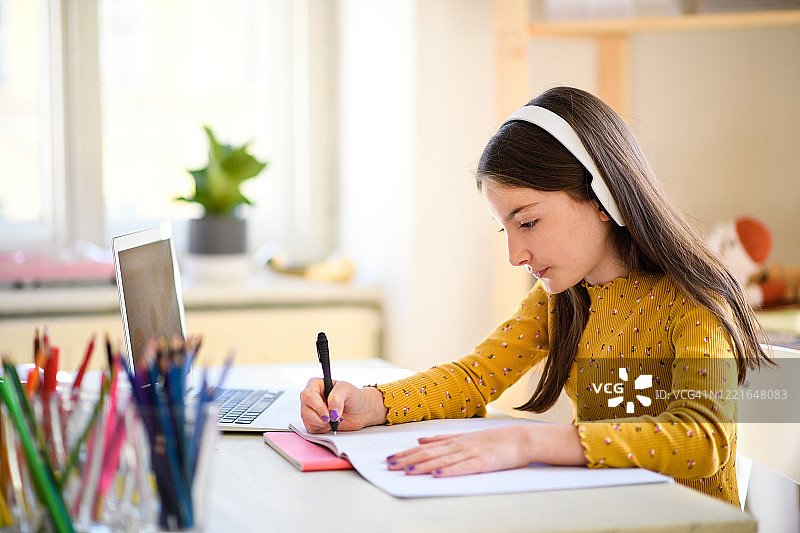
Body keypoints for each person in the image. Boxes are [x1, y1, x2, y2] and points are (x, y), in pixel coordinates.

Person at [299, 86, 771, 507]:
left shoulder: (694, 301)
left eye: (527, 222)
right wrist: (371, 404)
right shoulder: (563, 297)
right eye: (504, 228)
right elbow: (473, 378)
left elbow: (703, 439)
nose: (514, 254)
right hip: (601, 515)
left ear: (602, 196)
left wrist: (527, 442)